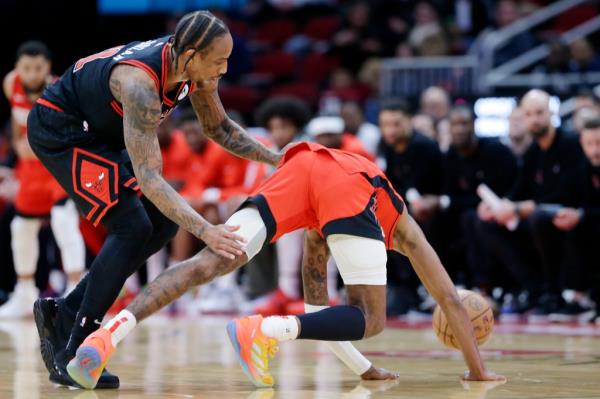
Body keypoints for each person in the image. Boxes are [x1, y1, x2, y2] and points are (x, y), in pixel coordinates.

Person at [66, 142, 506, 389]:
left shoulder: (324, 229)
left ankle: (107, 336)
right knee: (372, 319)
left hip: (304, 167)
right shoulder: (405, 228)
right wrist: (478, 370)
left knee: (209, 260)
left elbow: (317, 310)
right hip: (349, 183)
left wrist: (363, 369)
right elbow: (449, 297)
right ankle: (261, 329)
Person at [29, 10, 280, 388]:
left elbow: (218, 127)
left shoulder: (193, 67)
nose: (225, 69)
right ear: (192, 55)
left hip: (101, 134)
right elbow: (150, 178)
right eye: (220, 60)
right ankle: (74, 347)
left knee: (160, 223)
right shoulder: (140, 85)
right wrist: (207, 230)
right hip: (62, 130)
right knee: (131, 226)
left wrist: (276, 157)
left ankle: (64, 312)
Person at [476, 89, 583, 319]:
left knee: (538, 218)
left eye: (539, 113)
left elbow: (569, 193)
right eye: (529, 114)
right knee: (483, 221)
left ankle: (555, 292)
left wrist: (519, 208)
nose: (535, 119)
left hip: (567, 215)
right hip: (537, 217)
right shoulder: (534, 150)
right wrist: (500, 206)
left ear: (551, 113)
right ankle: (532, 289)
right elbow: (519, 188)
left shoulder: (570, 143)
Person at [0, 41, 86, 318]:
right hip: (29, 169)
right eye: (26, 68)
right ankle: (24, 294)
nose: (32, 74)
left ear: (47, 68)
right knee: (21, 227)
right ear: (17, 68)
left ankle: (76, 292)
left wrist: (38, 148)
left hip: (56, 166)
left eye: (38, 68)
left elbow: (72, 134)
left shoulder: (58, 91)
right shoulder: (10, 83)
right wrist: (16, 143)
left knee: (64, 222)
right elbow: (16, 119)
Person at [441, 105, 517, 291]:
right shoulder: (450, 155)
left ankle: (484, 285)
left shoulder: (495, 150)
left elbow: (508, 189)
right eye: (454, 124)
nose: (459, 129)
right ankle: (443, 287)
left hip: (503, 211)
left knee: (471, 218)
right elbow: (450, 195)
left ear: (474, 125)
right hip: (467, 213)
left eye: (464, 123)